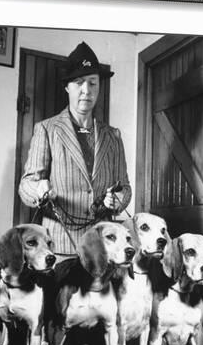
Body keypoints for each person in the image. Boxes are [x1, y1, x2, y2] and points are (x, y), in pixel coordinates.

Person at [19, 41, 132, 257]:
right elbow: (26, 185)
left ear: (99, 87)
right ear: (67, 87)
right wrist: (38, 189)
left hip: (102, 247)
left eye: (92, 83)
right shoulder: (47, 129)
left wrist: (118, 199)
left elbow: (125, 187)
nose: (86, 90)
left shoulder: (113, 136)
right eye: (79, 82)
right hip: (58, 244)